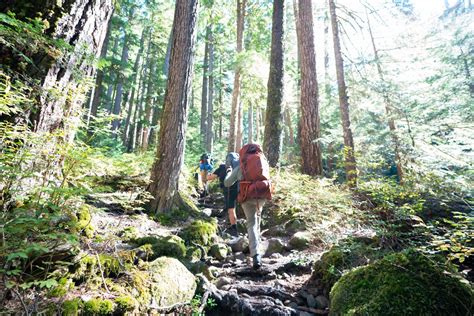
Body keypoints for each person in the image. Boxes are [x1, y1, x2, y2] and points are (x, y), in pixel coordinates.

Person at [224, 144, 272, 269]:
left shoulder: (242, 165)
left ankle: (255, 255)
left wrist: (229, 171)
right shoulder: (262, 162)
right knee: (257, 221)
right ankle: (258, 250)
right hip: (262, 194)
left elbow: (227, 182)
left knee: (251, 223)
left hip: (247, 196)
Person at [207, 153, 240, 236]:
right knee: (232, 209)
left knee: (231, 209)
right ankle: (232, 224)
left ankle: (234, 229)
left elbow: (209, 178)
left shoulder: (222, 167)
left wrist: (207, 171)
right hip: (240, 190)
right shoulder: (239, 167)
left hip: (229, 191)